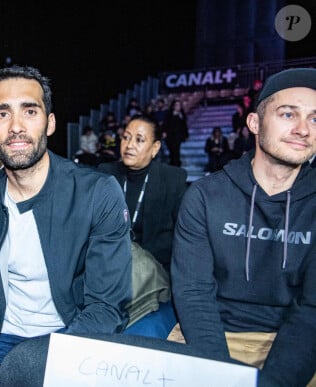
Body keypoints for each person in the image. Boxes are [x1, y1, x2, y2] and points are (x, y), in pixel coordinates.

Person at [0, 65, 132, 386]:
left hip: (73, 334)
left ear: (50, 123)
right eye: (3, 114)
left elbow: (106, 306)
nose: (16, 127)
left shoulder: (97, 193)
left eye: (30, 111)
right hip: (1, 337)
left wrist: (50, 366)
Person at [169, 68, 316, 387]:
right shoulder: (205, 195)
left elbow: (312, 310)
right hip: (213, 334)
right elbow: (194, 294)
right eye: (288, 114)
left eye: (315, 119)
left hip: (293, 342)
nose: (303, 129)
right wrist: (219, 374)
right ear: (254, 123)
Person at [97, 115, 188, 338]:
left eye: (139, 139)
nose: (129, 145)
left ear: (155, 147)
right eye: (126, 137)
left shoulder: (172, 179)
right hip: (110, 269)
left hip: (154, 272)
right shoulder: (105, 173)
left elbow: (183, 237)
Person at [161, 99, 189, 167]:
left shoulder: (181, 115)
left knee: (176, 150)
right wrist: (164, 132)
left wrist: (186, 135)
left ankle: (176, 164)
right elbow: (165, 124)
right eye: (176, 105)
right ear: (173, 106)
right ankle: (173, 163)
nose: (178, 106)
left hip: (178, 136)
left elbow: (184, 126)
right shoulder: (169, 114)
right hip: (170, 135)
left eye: (179, 105)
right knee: (172, 150)